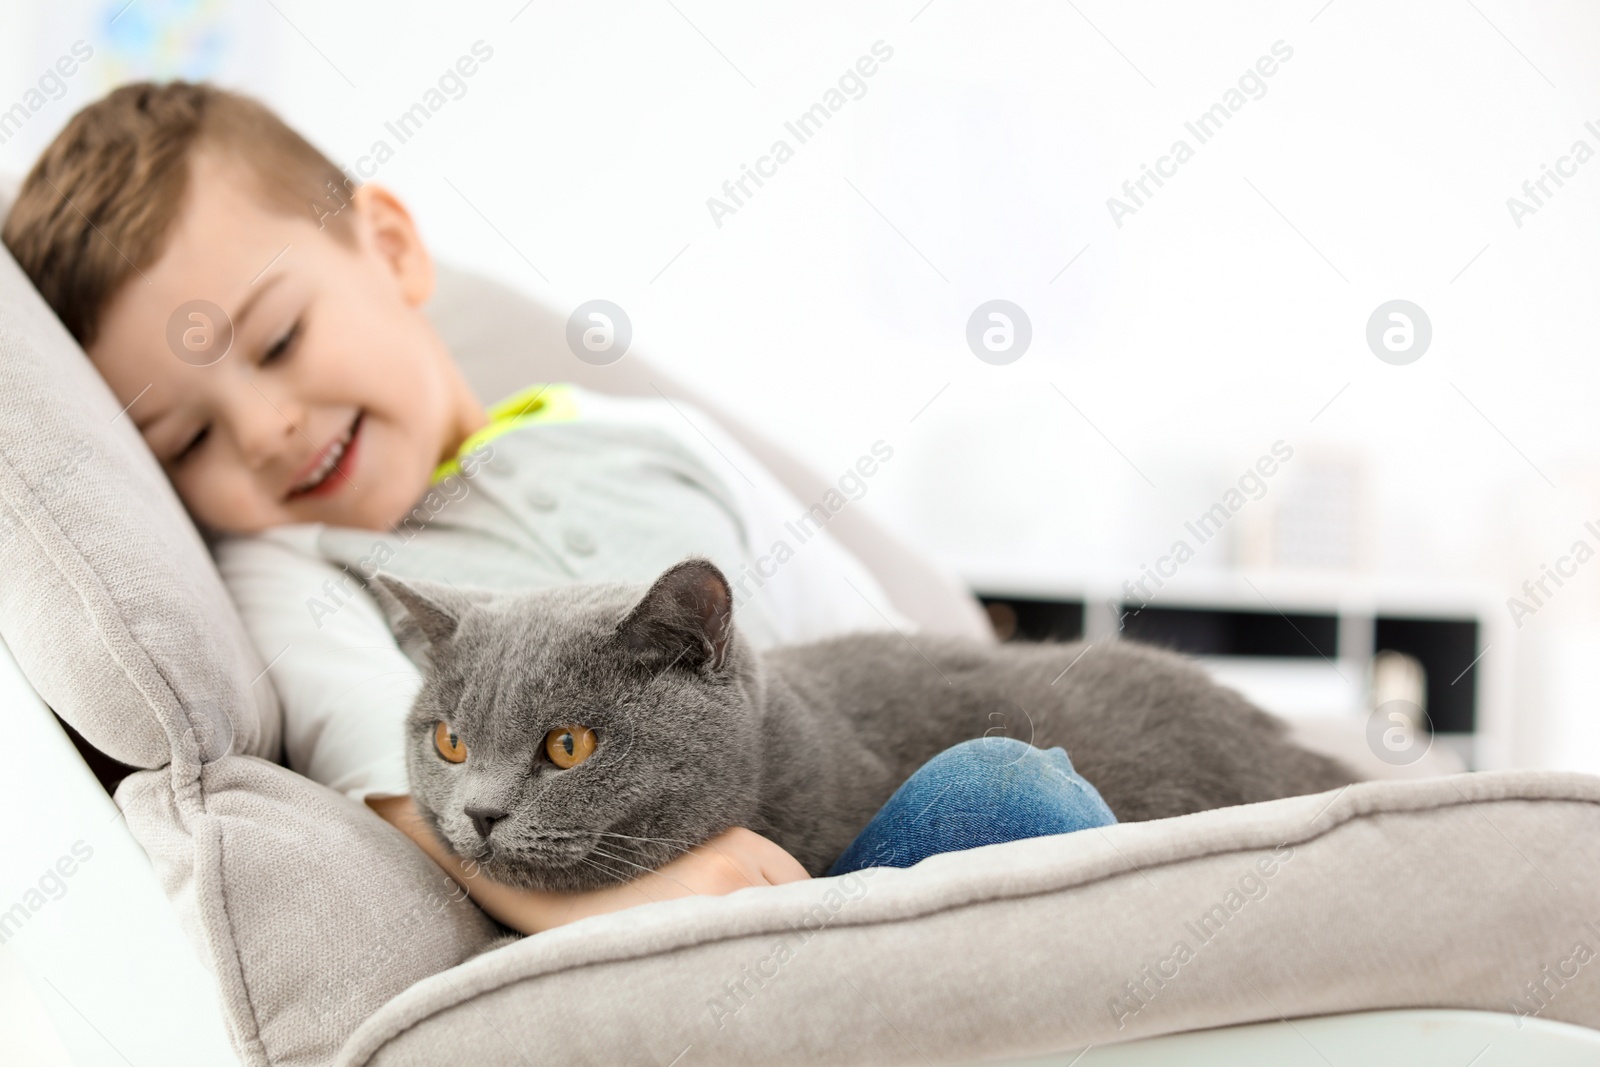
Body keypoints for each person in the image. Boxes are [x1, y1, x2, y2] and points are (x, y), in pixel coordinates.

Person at [1, 82, 1117, 934]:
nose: (265, 429)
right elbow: (404, 792)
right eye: (188, 437)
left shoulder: (638, 434)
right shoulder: (294, 574)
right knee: (997, 799)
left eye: (281, 339)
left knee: (1042, 756)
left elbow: (899, 654)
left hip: (849, 811)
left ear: (388, 247)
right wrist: (602, 907)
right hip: (755, 919)